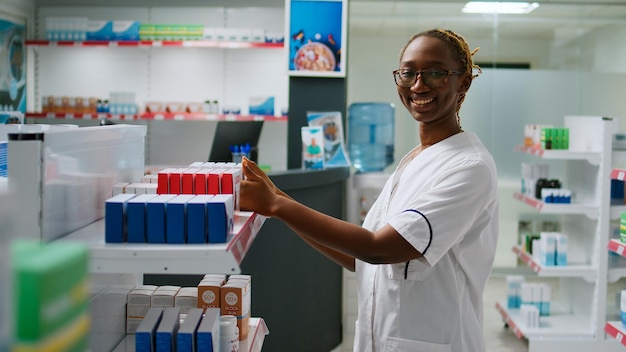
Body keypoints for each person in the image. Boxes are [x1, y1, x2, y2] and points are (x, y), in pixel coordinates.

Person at [239, 28, 498, 352]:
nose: (418, 84)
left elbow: (379, 248)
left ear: (464, 82)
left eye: (436, 72)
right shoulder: (416, 160)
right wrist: (278, 199)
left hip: (435, 341)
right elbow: (359, 258)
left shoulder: (469, 167)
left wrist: (278, 206)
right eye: (408, 72)